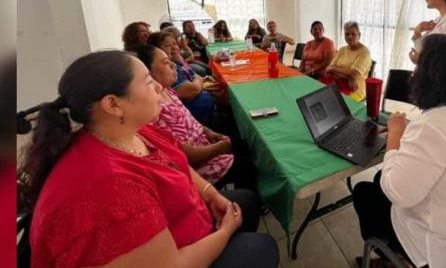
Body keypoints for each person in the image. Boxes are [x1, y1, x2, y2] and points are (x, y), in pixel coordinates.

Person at [18, 50, 279, 268]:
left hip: (183, 221)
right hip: (176, 256)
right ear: (113, 104)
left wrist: (211, 193)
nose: (156, 84)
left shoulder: (133, 129)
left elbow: (179, 162)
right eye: (146, 81)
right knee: (263, 247)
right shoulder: (111, 188)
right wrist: (225, 232)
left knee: (247, 202)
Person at [352, 34, 446, 268]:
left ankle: (396, 258)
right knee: (377, 178)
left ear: (433, 77)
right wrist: (410, 134)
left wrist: (395, 135)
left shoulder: (434, 126)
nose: (413, 75)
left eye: (418, 67)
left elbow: (397, 192)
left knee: (364, 192)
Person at [135, 44, 257, 192]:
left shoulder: (169, 91)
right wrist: (220, 148)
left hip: (205, 143)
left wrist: (209, 132)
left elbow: (189, 120)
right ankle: (246, 199)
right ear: (148, 73)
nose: (174, 65)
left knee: (248, 141)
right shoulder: (155, 111)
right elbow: (188, 156)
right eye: (166, 63)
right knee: (250, 159)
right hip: (199, 167)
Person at [150, 32, 217, 127]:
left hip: (205, 114)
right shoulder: (166, 71)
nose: (173, 47)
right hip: (195, 120)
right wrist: (198, 81)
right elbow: (193, 89)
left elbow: (195, 76)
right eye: (167, 45)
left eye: (174, 43)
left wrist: (182, 62)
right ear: (156, 50)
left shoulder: (176, 63)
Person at [323, 21, 371, 101]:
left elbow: (354, 73)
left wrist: (334, 69)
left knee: (334, 105)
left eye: (353, 34)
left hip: (355, 90)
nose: (350, 36)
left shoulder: (364, 52)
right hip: (337, 84)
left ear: (359, 35)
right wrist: (349, 77)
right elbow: (328, 69)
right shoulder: (342, 50)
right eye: (347, 34)